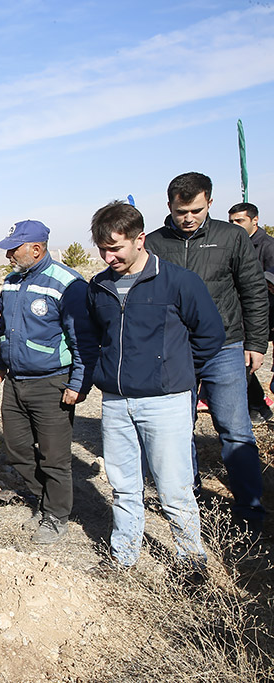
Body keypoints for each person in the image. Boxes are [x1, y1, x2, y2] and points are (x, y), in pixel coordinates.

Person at [87, 202, 225, 573]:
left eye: (115, 247)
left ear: (139, 239)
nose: (108, 256)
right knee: (123, 486)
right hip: (116, 402)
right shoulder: (99, 287)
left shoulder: (179, 282)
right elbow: (99, 337)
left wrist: (175, 371)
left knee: (174, 488)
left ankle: (190, 561)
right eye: (102, 249)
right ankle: (123, 557)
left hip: (166, 401)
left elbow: (210, 335)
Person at [144, 173, 267, 537]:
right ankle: (189, 504)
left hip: (225, 347)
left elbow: (253, 291)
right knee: (178, 431)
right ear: (169, 207)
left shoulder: (232, 238)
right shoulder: (153, 243)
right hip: (174, 351)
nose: (188, 218)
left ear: (210, 203)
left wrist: (256, 343)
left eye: (196, 209)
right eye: (181, 211)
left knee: (235, 430)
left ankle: (250, 511)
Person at [0, 220, 96, 544]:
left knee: (54, 456)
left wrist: (78, 383)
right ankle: (43, 498)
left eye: (14, 248)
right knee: (18, 449)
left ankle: (55, 516)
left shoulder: (68, 284)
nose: (8, 254)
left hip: (52, 382)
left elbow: (83, 340)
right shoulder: (10, 283)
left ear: (36, 249)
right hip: (15, 382)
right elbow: (3, 327)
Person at [229, 202, 274, 424]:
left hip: (263, 316)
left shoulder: (268, 247)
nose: (235, 226)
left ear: (255, 220)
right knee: (242, 364)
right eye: (231, 222)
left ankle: (257, 406)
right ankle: (257, 405)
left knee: (246, 364)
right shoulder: (234, 244)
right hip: (240, 315)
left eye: (240, 221)